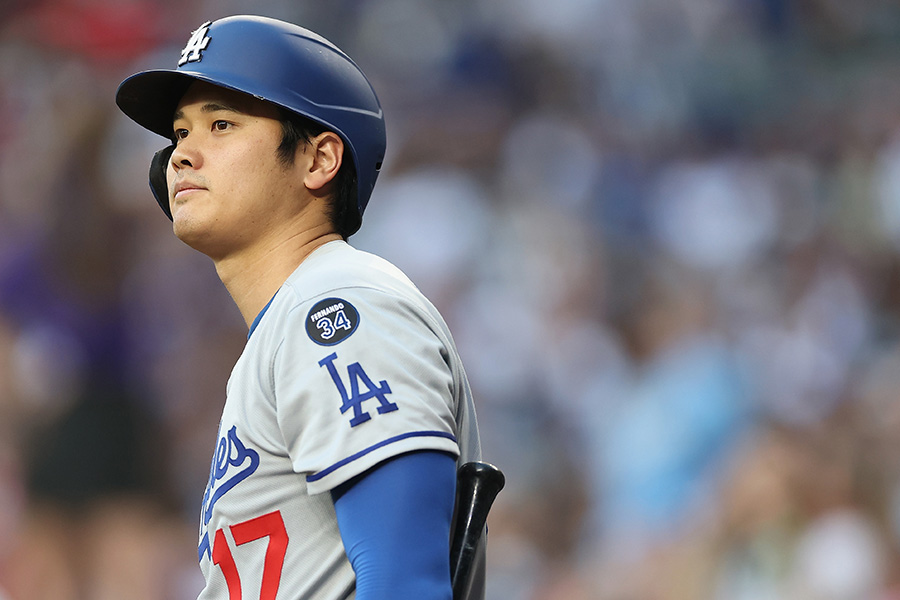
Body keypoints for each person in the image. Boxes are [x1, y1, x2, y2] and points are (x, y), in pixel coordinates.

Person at [115, 15, 484, 600]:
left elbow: (405, 583)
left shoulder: (339, 308)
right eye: (181, 133)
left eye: (222, 124)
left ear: (318, 161)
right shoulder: (287, 326)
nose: (182, 154)